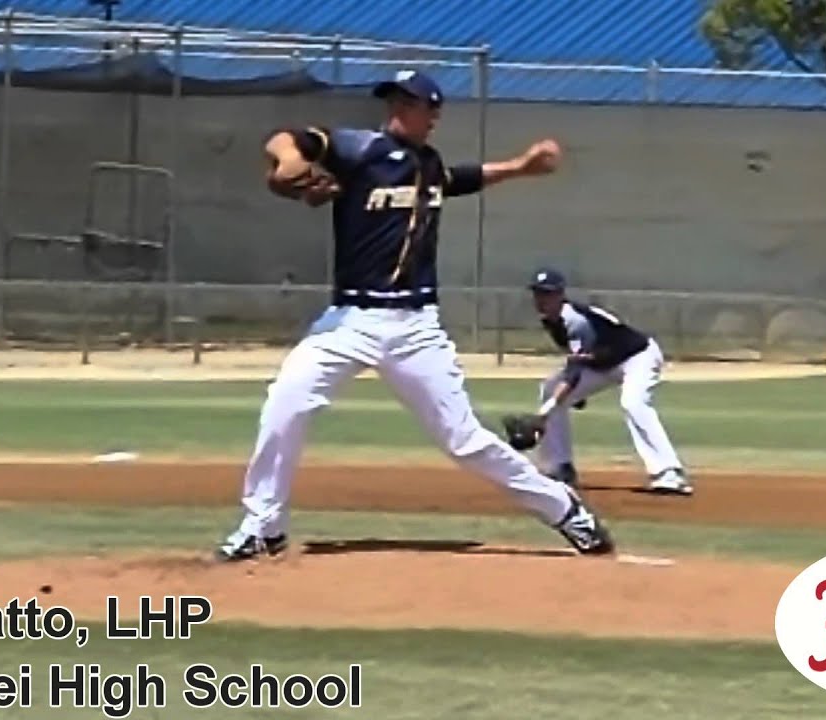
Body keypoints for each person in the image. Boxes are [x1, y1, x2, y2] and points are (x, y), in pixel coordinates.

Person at [214, 70, 616, 561]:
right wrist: (292, 160)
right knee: (285, 404)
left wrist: (522, 167)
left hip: (416, 329)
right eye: (394, 101)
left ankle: (566, 511)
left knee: (463, 440)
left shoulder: (429, 166)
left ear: (432, 114)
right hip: (349, 322)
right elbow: (287, 141)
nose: (399, 110)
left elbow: (463, 179)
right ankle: (263, 525)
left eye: (411, 103)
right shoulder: (358, 149)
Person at [521, 267, 692, 496]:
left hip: (637, 357)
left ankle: (669, 472)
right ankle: (559, 467)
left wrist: (545, 413)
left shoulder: (574, 320)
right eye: (538, 293)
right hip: (603, 365)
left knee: (633, 402)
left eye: (548, 293)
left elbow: (573, 371)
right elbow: (577, 361)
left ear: (560, 294)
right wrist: (572, 395)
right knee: (551, 388)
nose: (542, 299)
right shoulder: (551, 320)